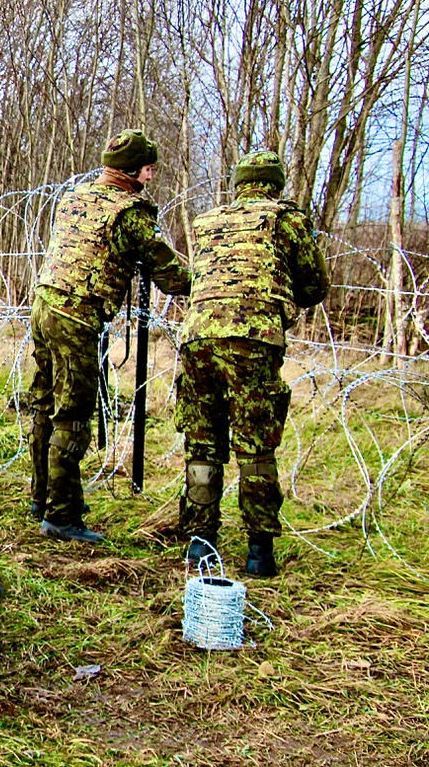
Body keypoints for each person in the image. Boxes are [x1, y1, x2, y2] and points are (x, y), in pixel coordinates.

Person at [26, 129, 191, 543]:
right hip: (77, 316)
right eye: (149, 170)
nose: (151, 178)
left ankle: (42, 495)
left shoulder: (76, 196)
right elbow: (169, 273)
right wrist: (209, 282)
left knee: (44, 401)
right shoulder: (130, 212)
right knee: (73, 415)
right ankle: (61, 517)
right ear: (133, 170)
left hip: (44, 304)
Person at [175, 150, 329, 576]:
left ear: (240, 182)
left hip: (197, 338)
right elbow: (315, 285)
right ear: (275, 183)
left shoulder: (208, 222)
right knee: (256, 446)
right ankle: (259, 552)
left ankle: (200, 545)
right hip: (253, 339)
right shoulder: (285, 219)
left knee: (203, 445)